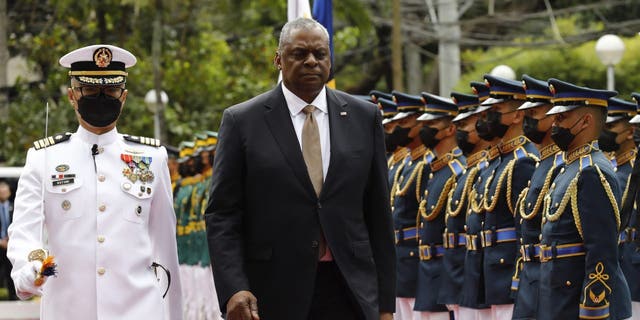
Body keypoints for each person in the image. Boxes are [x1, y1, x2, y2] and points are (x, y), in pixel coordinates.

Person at [205, 18, 395, 320]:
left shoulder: (364, 116)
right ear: (278, 59)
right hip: (274, 289)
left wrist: (386, 305)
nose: (311, 61)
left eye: (320, 54)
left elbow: (378, 213)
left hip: (351, 287)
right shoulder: (242, 121)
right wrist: (233, 288)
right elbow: (222, 215)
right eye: (299, 54)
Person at [7, 44, 182, 319]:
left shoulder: (152, 158)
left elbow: (165, 249)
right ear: (72, 95)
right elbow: (24, 231)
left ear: (123, 97)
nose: (101, 97)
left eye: (110, 91)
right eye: (90, 90)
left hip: (139, 310)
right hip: (69, 310)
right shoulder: (44, 157)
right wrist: (31, 267)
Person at [538, 78, 631, 319]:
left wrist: (593, 308)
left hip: (580, 305)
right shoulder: (567, 168)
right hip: (558, 298)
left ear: (586, 121)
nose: (554, 124)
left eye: (561, 118)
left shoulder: (591, 171)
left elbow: (601, 250)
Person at [478, 74, 538, 320]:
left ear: (517, 115)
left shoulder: (522, 161)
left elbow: (525, 232)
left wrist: (517, 281)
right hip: (491, 275)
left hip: (507, 277)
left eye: (497, 109)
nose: (490, 116)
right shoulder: (499, 162)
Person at [511, 75, 563, 319]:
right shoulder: (543, 163)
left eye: (535, 112)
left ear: (555, 116)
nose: (527, 118)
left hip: (550, 282)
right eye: (526, 111)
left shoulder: (559, 165)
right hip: (530, 279)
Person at [413, 92, 465, 320]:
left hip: (445, 272)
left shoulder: (456, 172)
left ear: (450, 129)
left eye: (431, 124)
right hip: (427, 273)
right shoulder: (437, 171)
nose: (424, 130)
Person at [437, 90, 482, 318]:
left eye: (467, 123)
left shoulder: (479, 170)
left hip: (482, 278)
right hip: (458, 275)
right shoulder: (468, 171)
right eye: (459, 123)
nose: (461, 130)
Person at [389, 90, 431, 320]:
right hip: (400, 259)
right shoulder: (407, 164)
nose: (397, 128)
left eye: (404, 122)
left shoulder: (424, 165)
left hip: (415, 260)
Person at [461, 81, 500, 320]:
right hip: (478, 272)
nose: (481, 122)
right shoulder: (490, 167)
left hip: (503, 275)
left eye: (489, 114)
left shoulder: (522, 163)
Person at [0, 181, 16, 300]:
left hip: (12, 244)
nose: (3, 190)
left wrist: (11, 239)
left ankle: (12, 295)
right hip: (0, 244)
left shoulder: (15, 207)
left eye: (5, 188)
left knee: (11, 269)